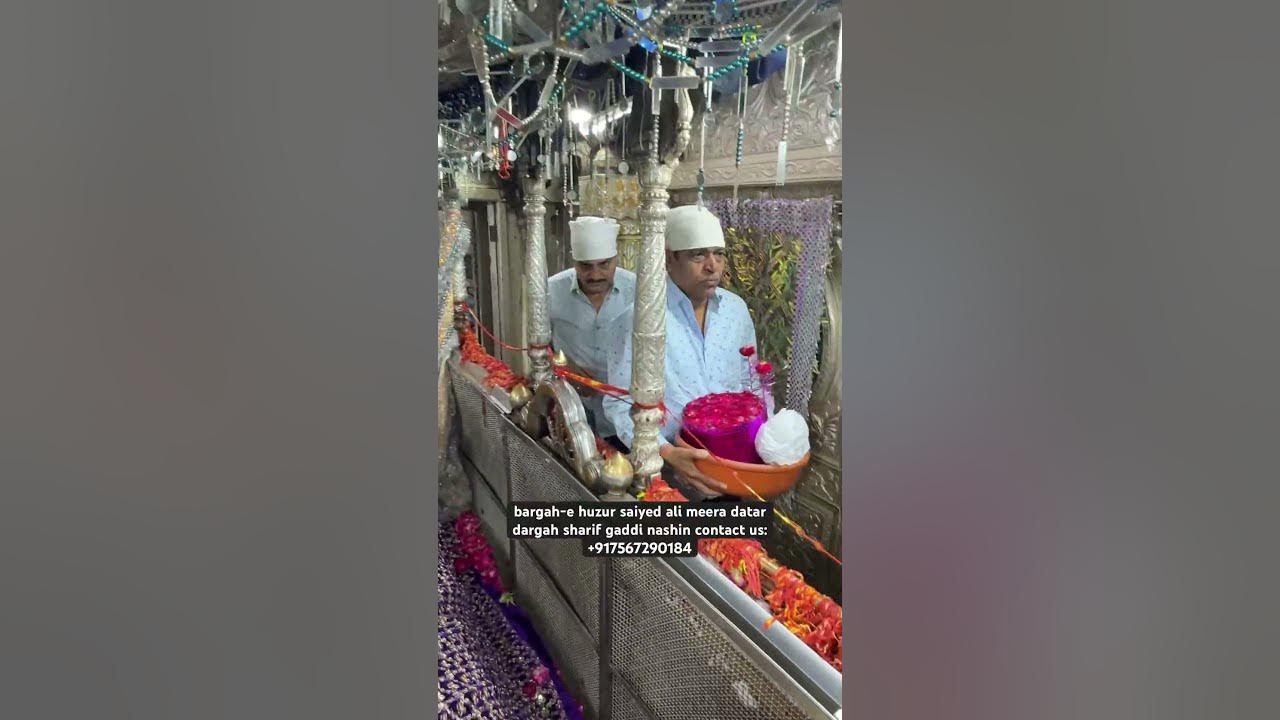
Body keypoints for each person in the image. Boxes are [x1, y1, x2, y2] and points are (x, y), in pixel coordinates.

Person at [603, 204, 759, 498]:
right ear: (669, 259)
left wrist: (759, 442)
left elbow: (750, 386)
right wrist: (667, 452)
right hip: (667, 477)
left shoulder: (735, 311)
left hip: (732, 471)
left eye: (719, 253)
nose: (712, 266)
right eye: (698, 254)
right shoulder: (638, 320)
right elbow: (619, 405)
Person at [547, 216, 636, 445]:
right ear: (574, 261)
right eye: (585, 266)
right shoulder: (552, 290)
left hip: (625, 416)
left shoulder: (637, 290)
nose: (595, 275)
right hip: (571, 410)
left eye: (604, 264)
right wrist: (561, 366)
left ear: (616, 258)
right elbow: (538, 344)